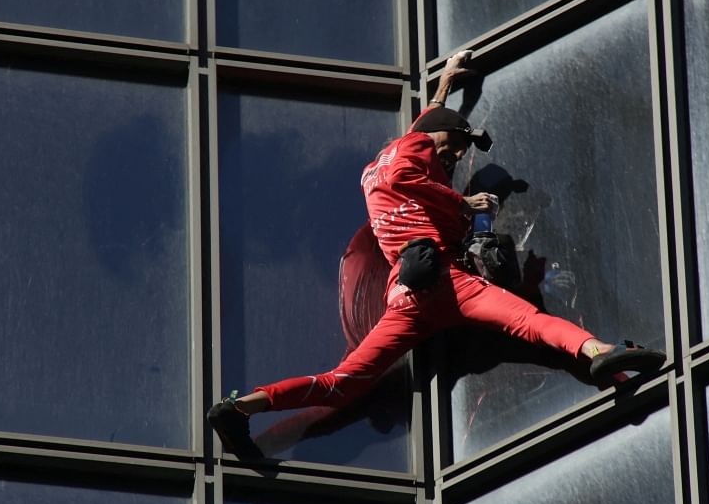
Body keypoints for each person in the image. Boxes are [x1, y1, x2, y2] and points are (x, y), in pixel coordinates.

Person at [208, 50, 664, 457]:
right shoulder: (411, 163)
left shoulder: (393, 155)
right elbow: (412, 170)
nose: (456, 158)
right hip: (447, 282)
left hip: (406, 298)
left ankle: (241, 407)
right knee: (529, 321)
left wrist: (446, 81)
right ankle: (599, 351)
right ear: (440, 139)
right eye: (459, 146)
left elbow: (425, 128)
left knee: (341, 382)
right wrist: (462, 203)